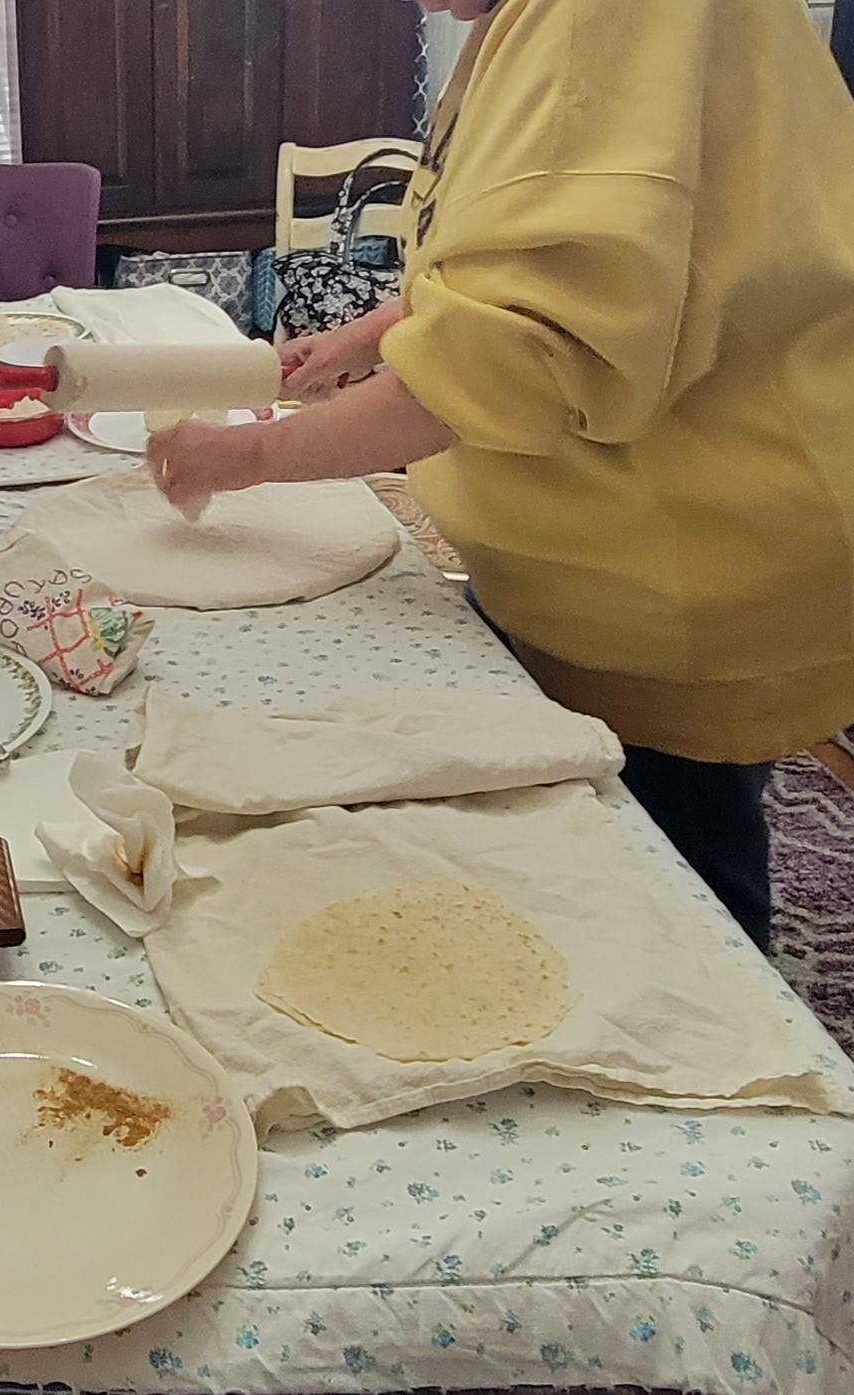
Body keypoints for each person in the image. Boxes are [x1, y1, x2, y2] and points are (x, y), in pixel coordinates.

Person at [148, 0, 854, 952]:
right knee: (621, 847)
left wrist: (247, 454)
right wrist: (369, 336)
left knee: (677, 890)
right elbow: (529, 261)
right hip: (645, 534)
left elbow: (515, 358)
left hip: (679, 563)